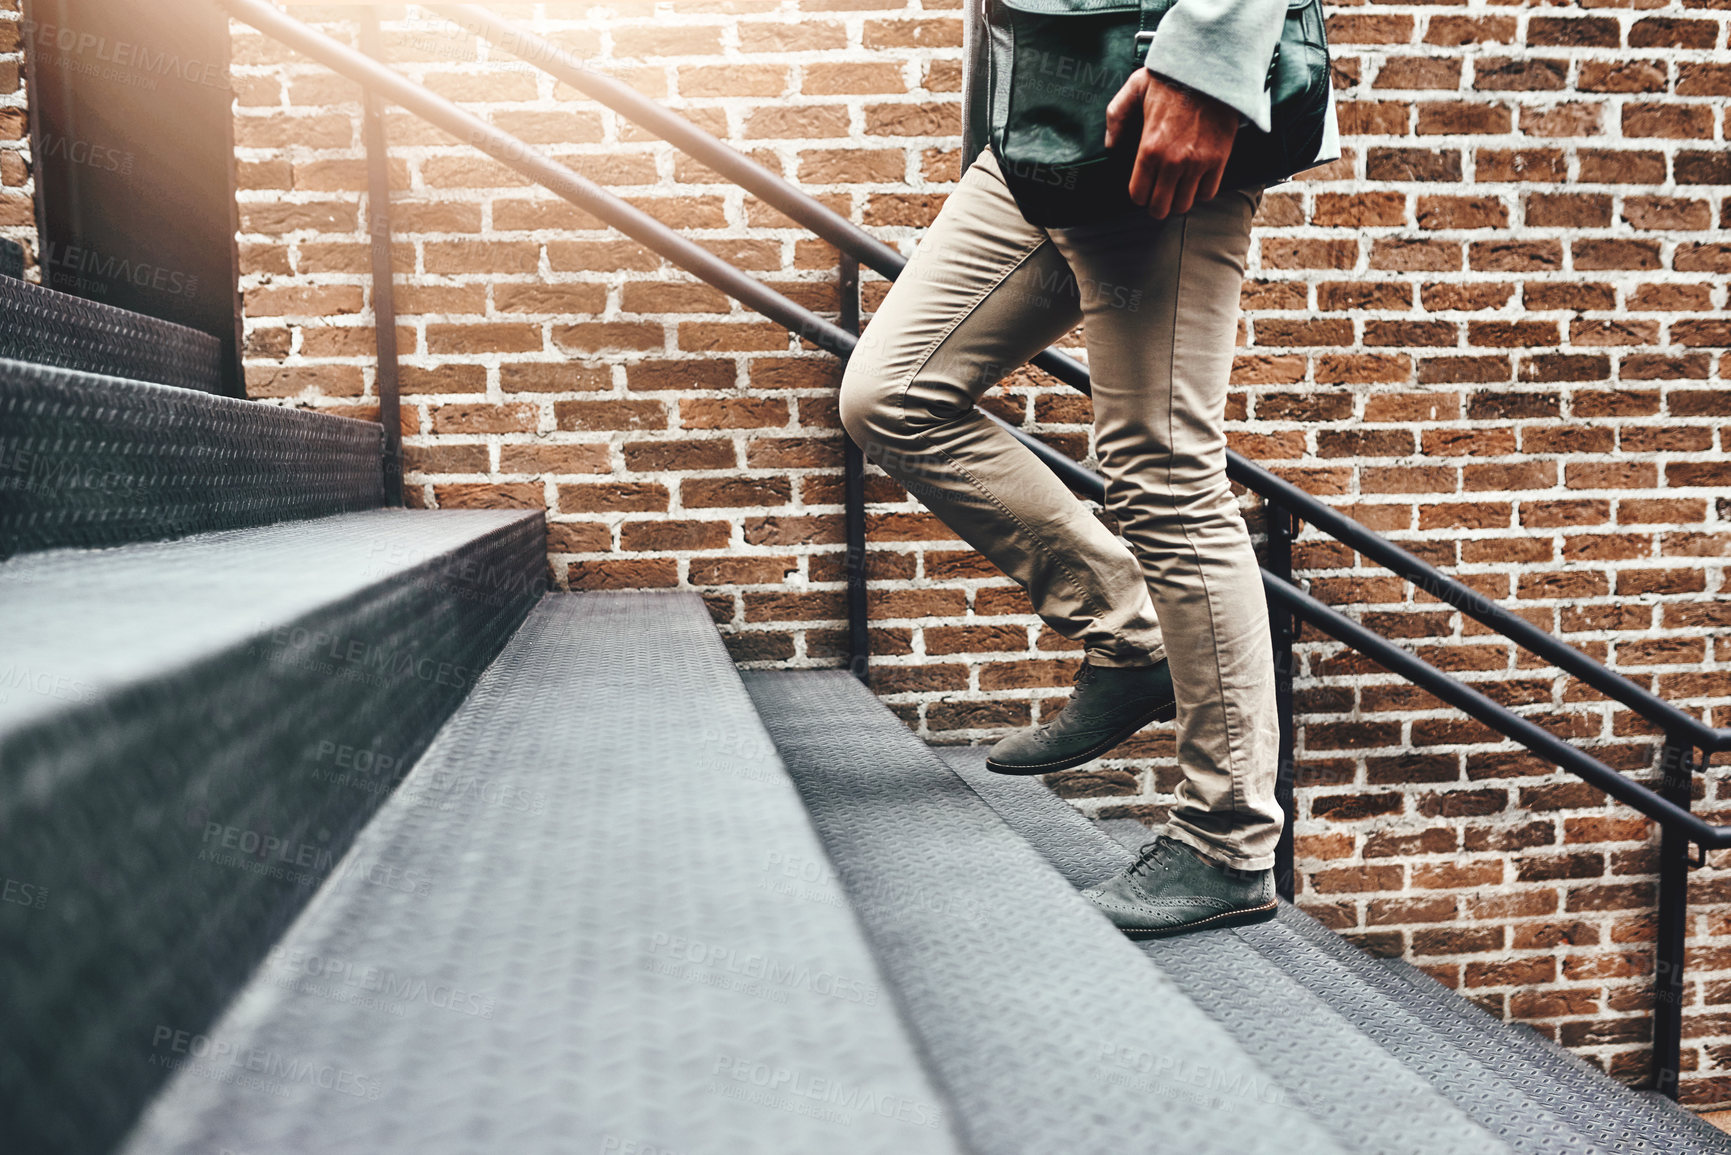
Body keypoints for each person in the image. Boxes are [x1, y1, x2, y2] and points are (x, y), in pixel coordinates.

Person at [837, 0, 1339, 938]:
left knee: (1159, 463)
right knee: (892, 396)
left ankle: (1227, 840)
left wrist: (1205, 68)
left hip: (1151, 90)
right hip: (1038, 122)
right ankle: (1128, 631)